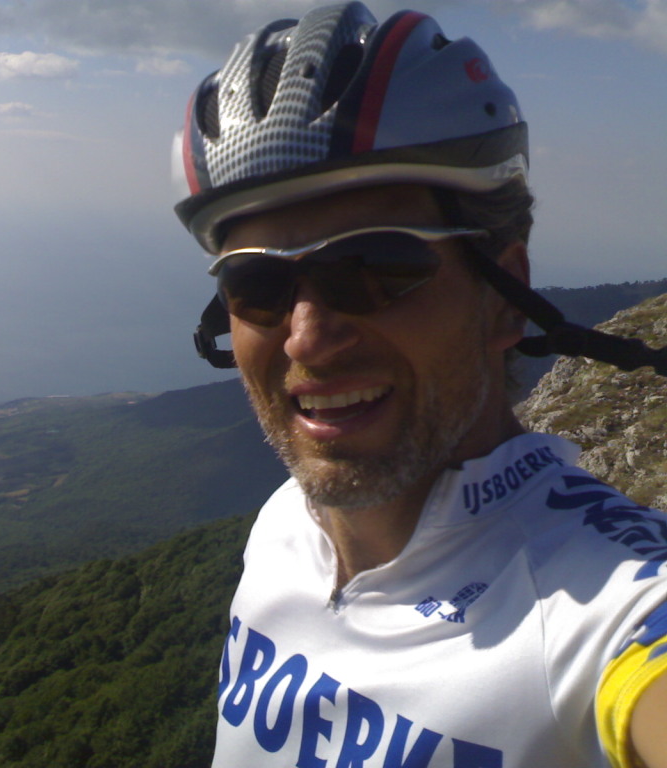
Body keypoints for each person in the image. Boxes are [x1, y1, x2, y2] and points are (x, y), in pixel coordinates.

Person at [170, 4, 667, 767]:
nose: (306, 337)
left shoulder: (601, 604)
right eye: (256, 285)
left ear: (502, 296)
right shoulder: (284, 526)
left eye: (374, 269)